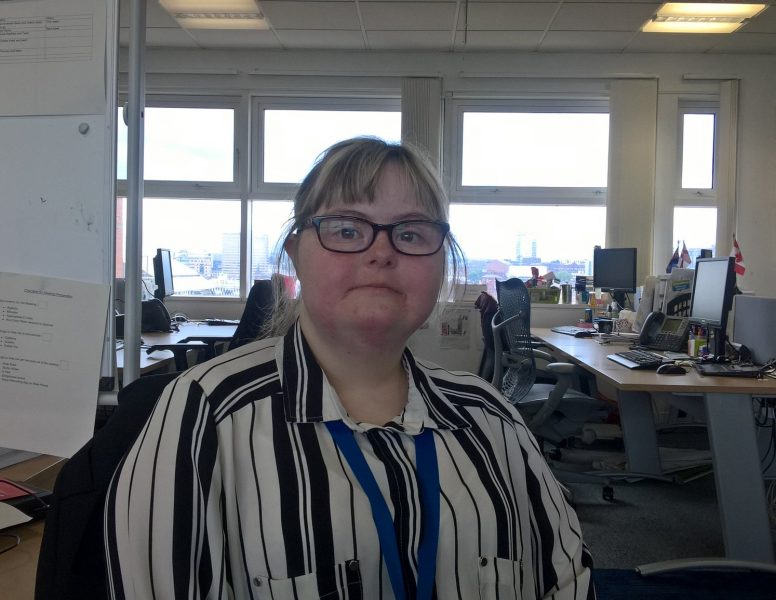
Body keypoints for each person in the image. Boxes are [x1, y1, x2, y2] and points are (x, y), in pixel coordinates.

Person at [105, 137, 594, 599]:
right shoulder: (203, 413)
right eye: (345, 229)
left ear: (441, 263)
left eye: (410, 232)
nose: (381, 253)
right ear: (296, 253)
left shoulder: (492, 418)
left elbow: (568, 580)